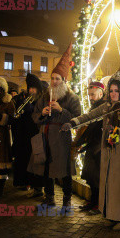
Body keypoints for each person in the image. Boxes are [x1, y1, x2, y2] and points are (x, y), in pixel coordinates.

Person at [63, 69, 120, 229]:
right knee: (110, 184)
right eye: (111, 90)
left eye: (117, 90)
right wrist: (73, 122)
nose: (113, 93)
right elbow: (89, 116)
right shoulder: (107, 106)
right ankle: (113, 214)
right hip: (108, 152)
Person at [28, 43, 81, 209]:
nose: (54, 81)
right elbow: (34, 115)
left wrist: (62, 110)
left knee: (63, 170)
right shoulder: (45, 95)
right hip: (45, 135)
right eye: (52, 78)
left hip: (61, 138)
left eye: (58, 78)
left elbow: (77, 118)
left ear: (64, 80)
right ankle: (49, 196)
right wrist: (42, 113)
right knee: (46, 169)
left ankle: (67, 199)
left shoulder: (71, 97)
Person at [71, 81, 107, 215]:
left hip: (99, 145)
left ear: (101, 93)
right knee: (90, 176)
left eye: (93, 94)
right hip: (92, 145)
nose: (90, 97)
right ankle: (92, 201)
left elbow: (93, 126)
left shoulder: (103, 107)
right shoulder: (94, 107)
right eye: (89, 95)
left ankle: (98, 204)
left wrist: (80, 141)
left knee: (96, 177)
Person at [11, 73, 44, 196]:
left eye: (33, 88)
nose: (31, 91)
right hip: (25, 136)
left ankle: (38, 188)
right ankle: (26, 182)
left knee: (37, 163)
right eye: (30, 88)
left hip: (36, 135)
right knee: (25, 160)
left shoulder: (41, 100)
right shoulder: (23, 99)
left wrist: (32, 110)